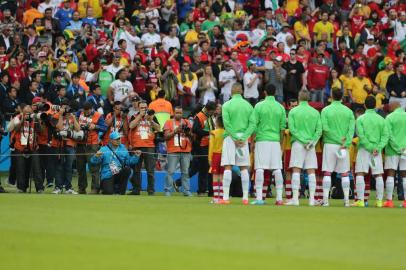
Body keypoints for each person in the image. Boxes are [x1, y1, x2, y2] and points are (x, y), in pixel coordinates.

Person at [245, 84, 286, 205]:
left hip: (262, 140)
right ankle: (279, 199)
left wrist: (252, 141)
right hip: (275, 140)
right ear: (275, 92)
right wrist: (280, 143)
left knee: (260, 168)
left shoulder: (258, 106)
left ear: (265, 92)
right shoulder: (280, 107)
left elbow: (254, 125)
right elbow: (282, 128)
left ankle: (259, 198)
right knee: (277, 168)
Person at [218, 82, 254, 205]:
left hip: (230, 138)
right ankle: (245, 198)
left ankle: (226, 198)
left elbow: (226, 124)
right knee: (244, 167)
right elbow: (252, 124)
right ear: (242, 92)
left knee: (228, 166)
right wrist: (244, 138)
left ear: (232, 92)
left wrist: (234, 137)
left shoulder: (226, 105)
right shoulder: (248, 106)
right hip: (243, 139)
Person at [286, 90, 322, 206]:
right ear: (309, 98)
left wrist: (302, 140)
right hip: (310, 145)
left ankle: (295, 199)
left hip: (298, 143)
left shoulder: (293, 111)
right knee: (311, 171)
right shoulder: (315, 112)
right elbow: (319, 130)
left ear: (299, 98)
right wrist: (311, 142)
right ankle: (312, 199)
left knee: (296, 170)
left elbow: (292, 129)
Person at [320, 88, 355, 207]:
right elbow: (351, 130)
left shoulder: (325, 110)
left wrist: (337, 140)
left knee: (328, 172)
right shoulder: (349, 111)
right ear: (342, 97)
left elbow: (325, 128)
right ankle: (346, 201)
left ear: (331, 95)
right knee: (345, 173)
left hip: (330, 144)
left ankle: (325, 201)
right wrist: (345, 142)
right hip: (343, 146)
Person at [354, 96, 389, 208]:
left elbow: (361, 135)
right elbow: (385, 136)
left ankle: (360, 200)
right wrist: (377, 148)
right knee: (378, 174)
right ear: (375, 106)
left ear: (364, 105)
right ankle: (379, 201)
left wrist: (369, 147)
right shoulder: (382, 119)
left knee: (360, 173)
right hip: (376, 151)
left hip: (364, 149)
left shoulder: (360, 119)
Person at [128, 101, 160, 195]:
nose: (144, 109)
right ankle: (136, 190)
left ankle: (151, 191)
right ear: (138, 108)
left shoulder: (152, 116)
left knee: (150, 170)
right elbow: (131, 126)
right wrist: (140, 116)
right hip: (137, 146)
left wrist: (151, 120)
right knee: (136, 170)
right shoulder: (134, 116)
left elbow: (158, 129)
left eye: (145, 107)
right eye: (142, 108)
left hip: (149, 146)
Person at [76, 101, 107, 194]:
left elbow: (104, 128)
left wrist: (95, 126)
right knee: (80, 167)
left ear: (91, 109)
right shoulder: (79, 112)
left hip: (92, 144)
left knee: (94, 167)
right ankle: (81, 188)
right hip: (80, 143)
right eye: (84, 111)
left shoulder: (98, 115)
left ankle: (95, 188)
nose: (85, 113)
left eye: (87, 111)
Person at [50, 101, 80, 194]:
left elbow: (78, 129)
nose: (66, 109)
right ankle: (58, 187)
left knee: (69, 166)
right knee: (59, 166)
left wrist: (74, 118)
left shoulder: (71, 117)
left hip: (70, 145)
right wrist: (60, 115)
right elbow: (59, 127)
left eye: (67, 107)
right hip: (59, 145)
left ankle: (68, 188)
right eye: (64, 107)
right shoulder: (56, 116)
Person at [163, 106, 193, 196]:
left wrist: (187, 133)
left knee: (185, 172)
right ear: (173, 113)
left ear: (182, 113)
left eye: (180, 113)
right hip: (173, 150)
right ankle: (167, 190)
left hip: (186, 150)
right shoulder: (168, 122)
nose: (179, 114)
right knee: (170, 171)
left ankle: (186, 190)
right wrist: (175, 131)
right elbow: (166, 136)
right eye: (177, 113)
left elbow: (193, 136)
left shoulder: (187, 122)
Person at [384, 102, 406, 208]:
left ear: (394, 106)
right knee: (405, 175)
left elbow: (389, 135)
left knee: (391, 173)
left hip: (393, 150)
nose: (389, 107)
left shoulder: (389, 117)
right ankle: (405, 202)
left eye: (390, 106)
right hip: (405, 150)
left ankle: (389, 201)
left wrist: (397, 148)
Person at [193, 101, 216, 196]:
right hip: (202, 146)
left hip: (210, 145)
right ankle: (201, 190)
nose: (212, 113)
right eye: (212, 111)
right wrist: (209, 133)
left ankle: (211, 191)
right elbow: (195, 129)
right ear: (207, 109)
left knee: (210, 169)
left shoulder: (209, 116)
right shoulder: (199, 116)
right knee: (203, 169)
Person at [208, 115, 225, 203]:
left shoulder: (213, 133)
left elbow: (211, 146)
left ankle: (215, 198)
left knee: (215, 177)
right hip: (224, 156)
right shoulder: (226, 132)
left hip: (216, 155)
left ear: (217, 122)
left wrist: (209, 158)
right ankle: (221, 198)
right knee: (222, 177)